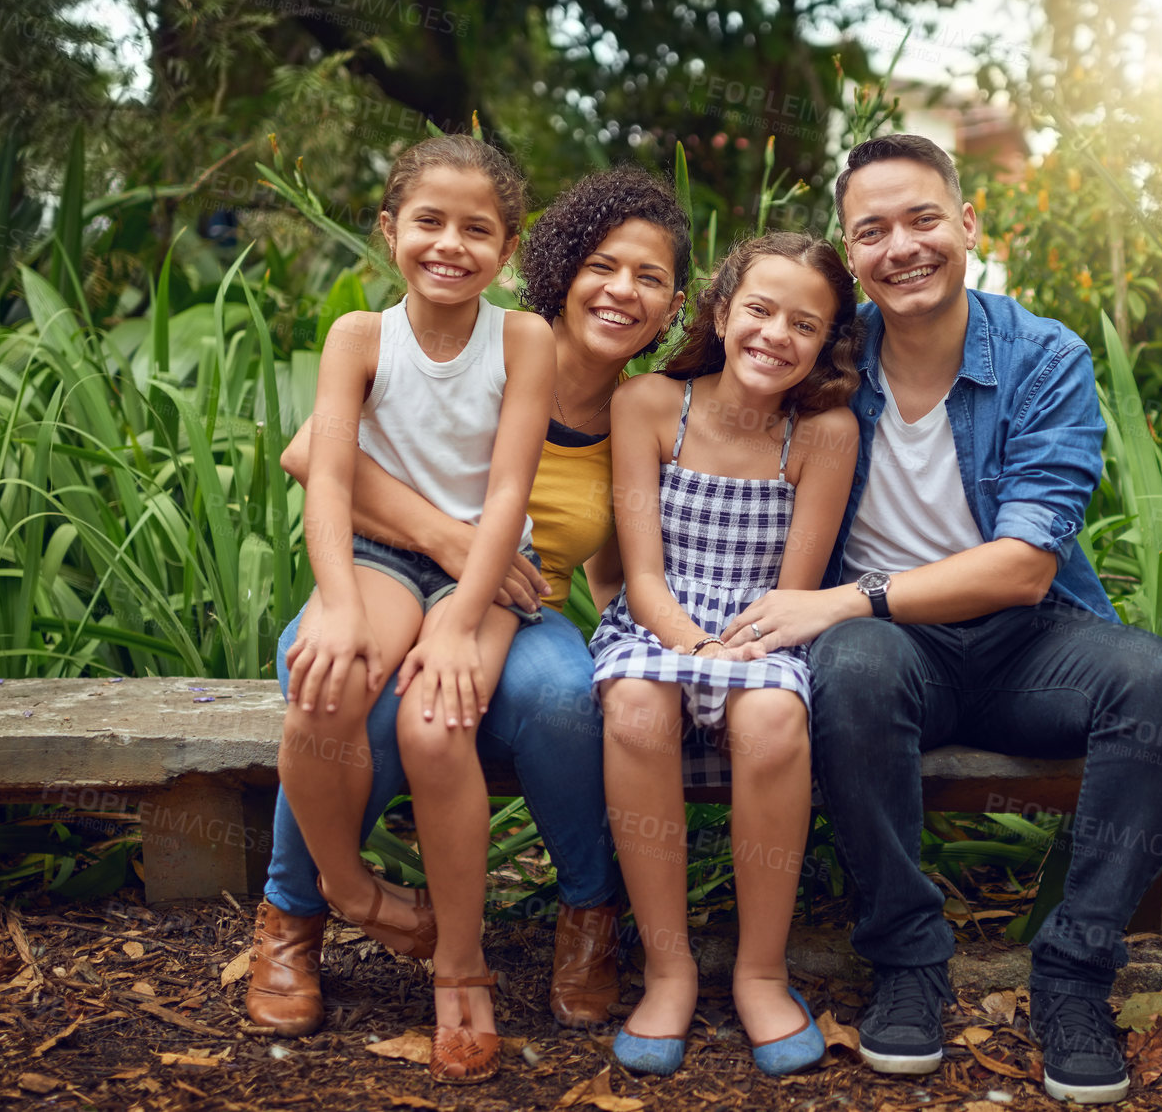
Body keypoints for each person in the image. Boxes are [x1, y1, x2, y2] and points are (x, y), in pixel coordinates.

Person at [719, 135, 1162, 1105]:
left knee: (1153, 679)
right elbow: (701, 406)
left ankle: (1072, 976)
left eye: (923, 219)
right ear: (851, 253)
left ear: (968, 224)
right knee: (850, 666)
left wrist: (847, 596)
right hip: (895, 660)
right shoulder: (829, 354)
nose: (902, 246)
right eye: (873, 230)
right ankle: (906, 961)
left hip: (1029, 646)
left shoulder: (1041, 354)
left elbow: (1026, 568)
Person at [248, 167, 692, 1046]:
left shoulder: (647, 410)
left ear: (675, 304)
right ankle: (294, 914)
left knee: (566, 699)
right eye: (604, 267)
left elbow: (615, 555)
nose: (621, 293)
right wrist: (448, 543)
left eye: (649, 278)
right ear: (560, 270)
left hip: (512, 598)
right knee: (342, 690)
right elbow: (314, 455)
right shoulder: (459, 340)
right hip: (399, 572)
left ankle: (586, 914)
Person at [276, 133, 554, 1085]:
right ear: (389, 228)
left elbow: (512, 490)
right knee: (325, 680)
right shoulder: (359, 336)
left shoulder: (523, 338)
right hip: (377, 557)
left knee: (439, 722)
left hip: (486, 566)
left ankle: (460, 963)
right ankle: (350, 893)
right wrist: (341, 601)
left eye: (478, 229)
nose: (450, 244)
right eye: (428, 221)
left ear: (507, 247)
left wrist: (455, 617)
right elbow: (325, 478)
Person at [592, 233, 860, 1076]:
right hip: (657, 622)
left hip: (765, 630)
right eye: (759, 310)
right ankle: (667, 968)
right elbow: (638, 577)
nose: (776, 335)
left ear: (825, 343)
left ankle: (760, 970)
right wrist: (693, 646)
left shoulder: (823, 432)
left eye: (804, 324)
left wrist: (734, 653)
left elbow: (793, 591)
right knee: (638, 706)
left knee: (775, 717)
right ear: (720, 310)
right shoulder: (647, 404)